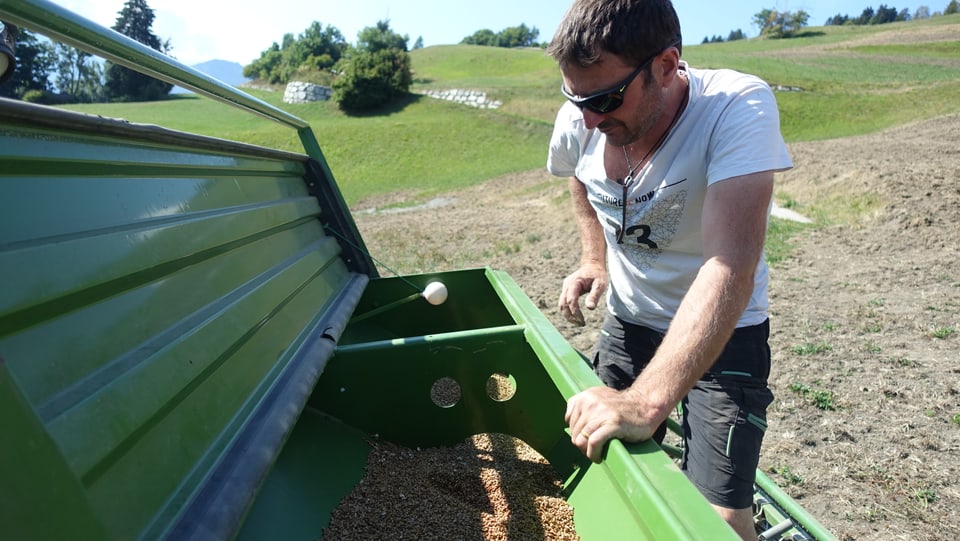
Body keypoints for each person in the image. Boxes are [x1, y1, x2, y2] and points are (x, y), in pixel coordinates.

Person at [545, 0, 793, 539]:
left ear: (666, 64)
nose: (588, 118)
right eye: (576, 98)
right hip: (630, 322)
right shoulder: (585, 115)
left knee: (719, 523)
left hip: (725, 333)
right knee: (590, 463)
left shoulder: (736, 106)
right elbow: (579, 178)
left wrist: (645, 402)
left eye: (606, 98)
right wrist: (595, 256)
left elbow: (730, 266)